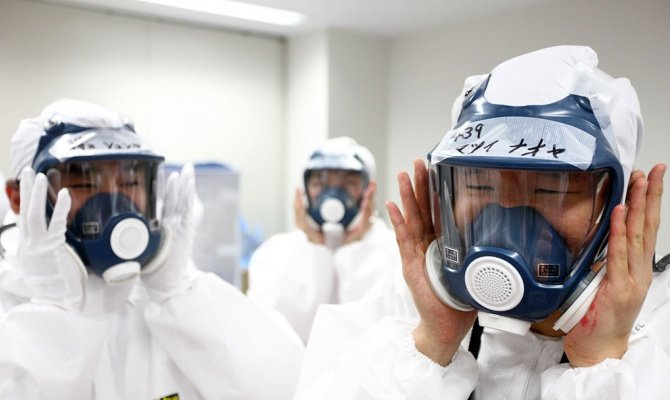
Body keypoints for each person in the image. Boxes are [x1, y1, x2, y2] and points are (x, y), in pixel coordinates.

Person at [293, 46, 669, 399]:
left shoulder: (660, 323)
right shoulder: (404, 304)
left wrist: (600, 361)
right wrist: (432, 342)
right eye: (478, 184)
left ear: (619, 200)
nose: (507, 210)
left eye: (550, 187)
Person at [0, 99, 304, 399]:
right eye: (84, 184)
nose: (113, 205)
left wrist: (179, 295)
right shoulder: (9, 304)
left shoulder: (167, 297)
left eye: (129, 182)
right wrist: (53, 312)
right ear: (18, 198)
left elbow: (283, 386)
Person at [247, 137, 400, 342]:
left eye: (349, 183)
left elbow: (379, 332)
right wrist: (314, 249)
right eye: (319, 183)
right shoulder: (274, 253)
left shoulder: (395, 251)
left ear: (368, 190)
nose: (333, 194)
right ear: (304, 191)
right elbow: (275, 335)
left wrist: (355, 249)